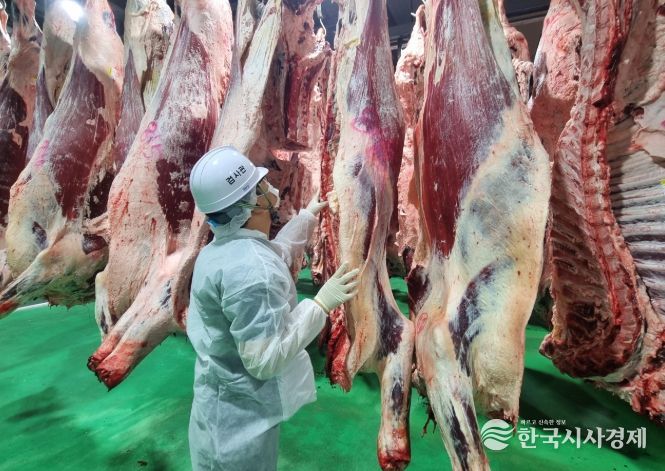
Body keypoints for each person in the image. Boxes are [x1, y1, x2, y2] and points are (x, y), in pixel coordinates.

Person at [187, 146, 360, 471]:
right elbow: (265, 358)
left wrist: (307, 217)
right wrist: (319, 306)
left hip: (222, 409)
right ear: (251, 204)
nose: (268, 187)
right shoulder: (250, 271)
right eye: (259, 186)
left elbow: (273, 255)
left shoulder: (223, 250)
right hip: (238, 431)